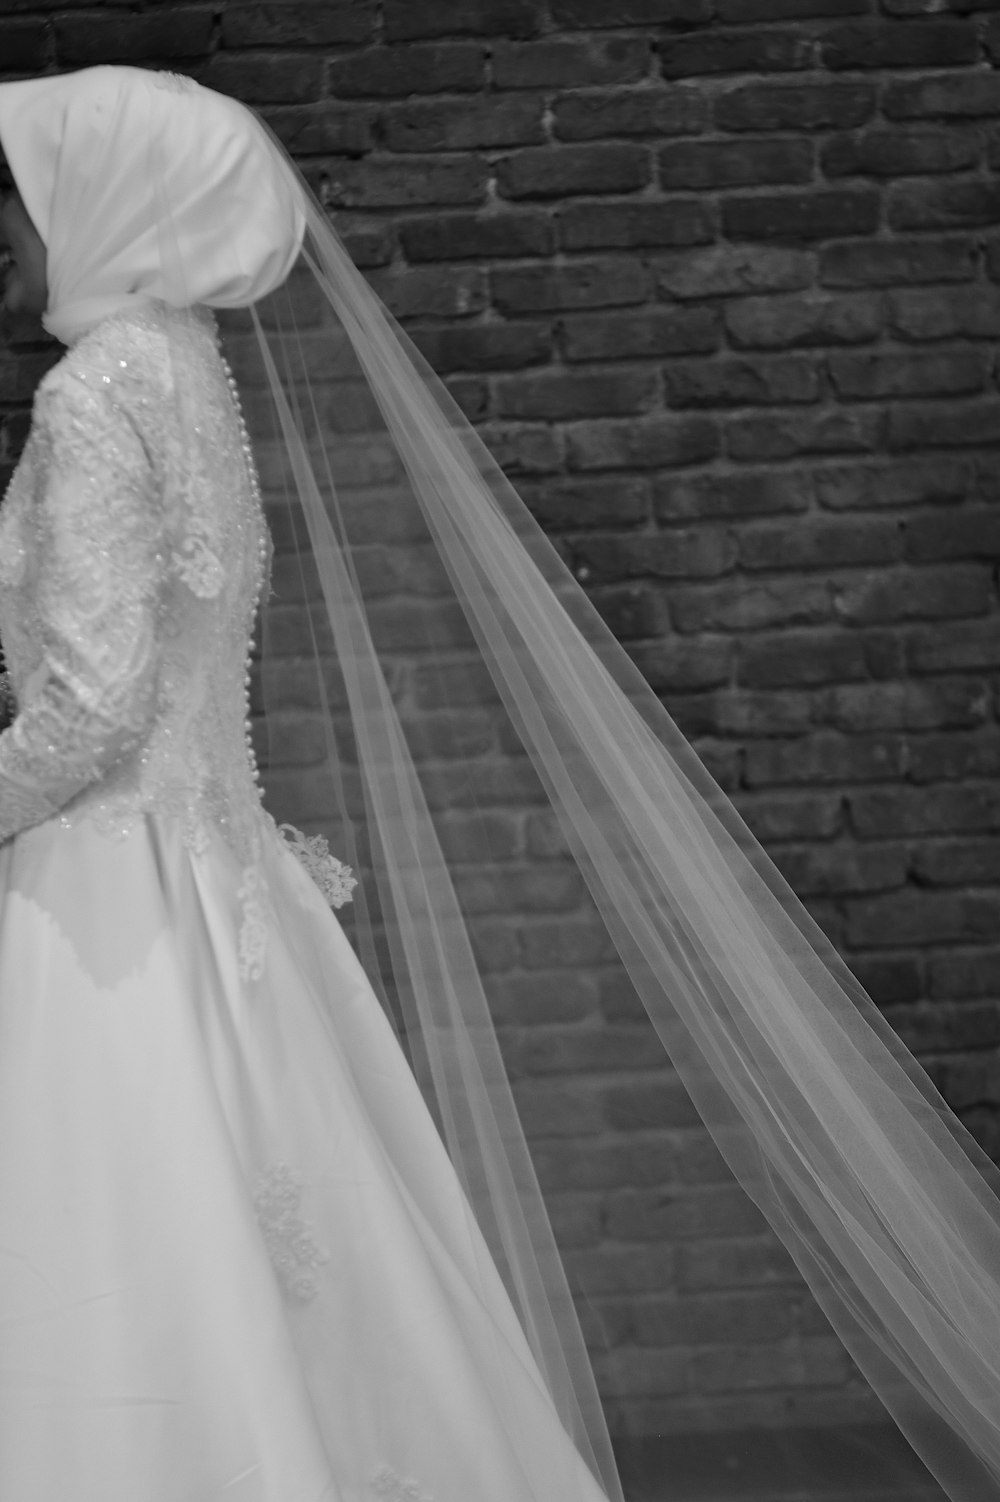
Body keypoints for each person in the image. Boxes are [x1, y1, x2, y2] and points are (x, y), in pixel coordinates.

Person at [0, 64, 998, 1502]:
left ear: (102, 203)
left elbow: (93, 702)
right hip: (223, 887)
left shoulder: (95, 392)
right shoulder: (192, 374)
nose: (9, 225)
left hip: (112, 905)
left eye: (27, 190)